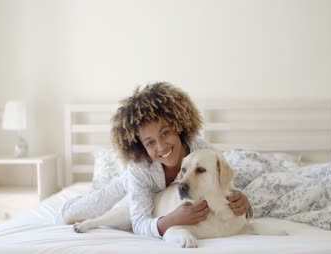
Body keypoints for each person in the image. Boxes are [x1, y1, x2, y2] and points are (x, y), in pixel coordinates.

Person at [57, 82, 252, 238]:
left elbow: (228, 187)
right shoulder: (139, 169)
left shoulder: (203, 153)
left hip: (161, 199)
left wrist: (244, 202)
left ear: (179, 126)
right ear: (140, 146)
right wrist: (171, 220)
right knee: (72, 213)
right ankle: (70, 203)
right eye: (150, 143)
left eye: (166, 133)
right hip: (128, 186)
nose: (162, 147)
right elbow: (139, 222)